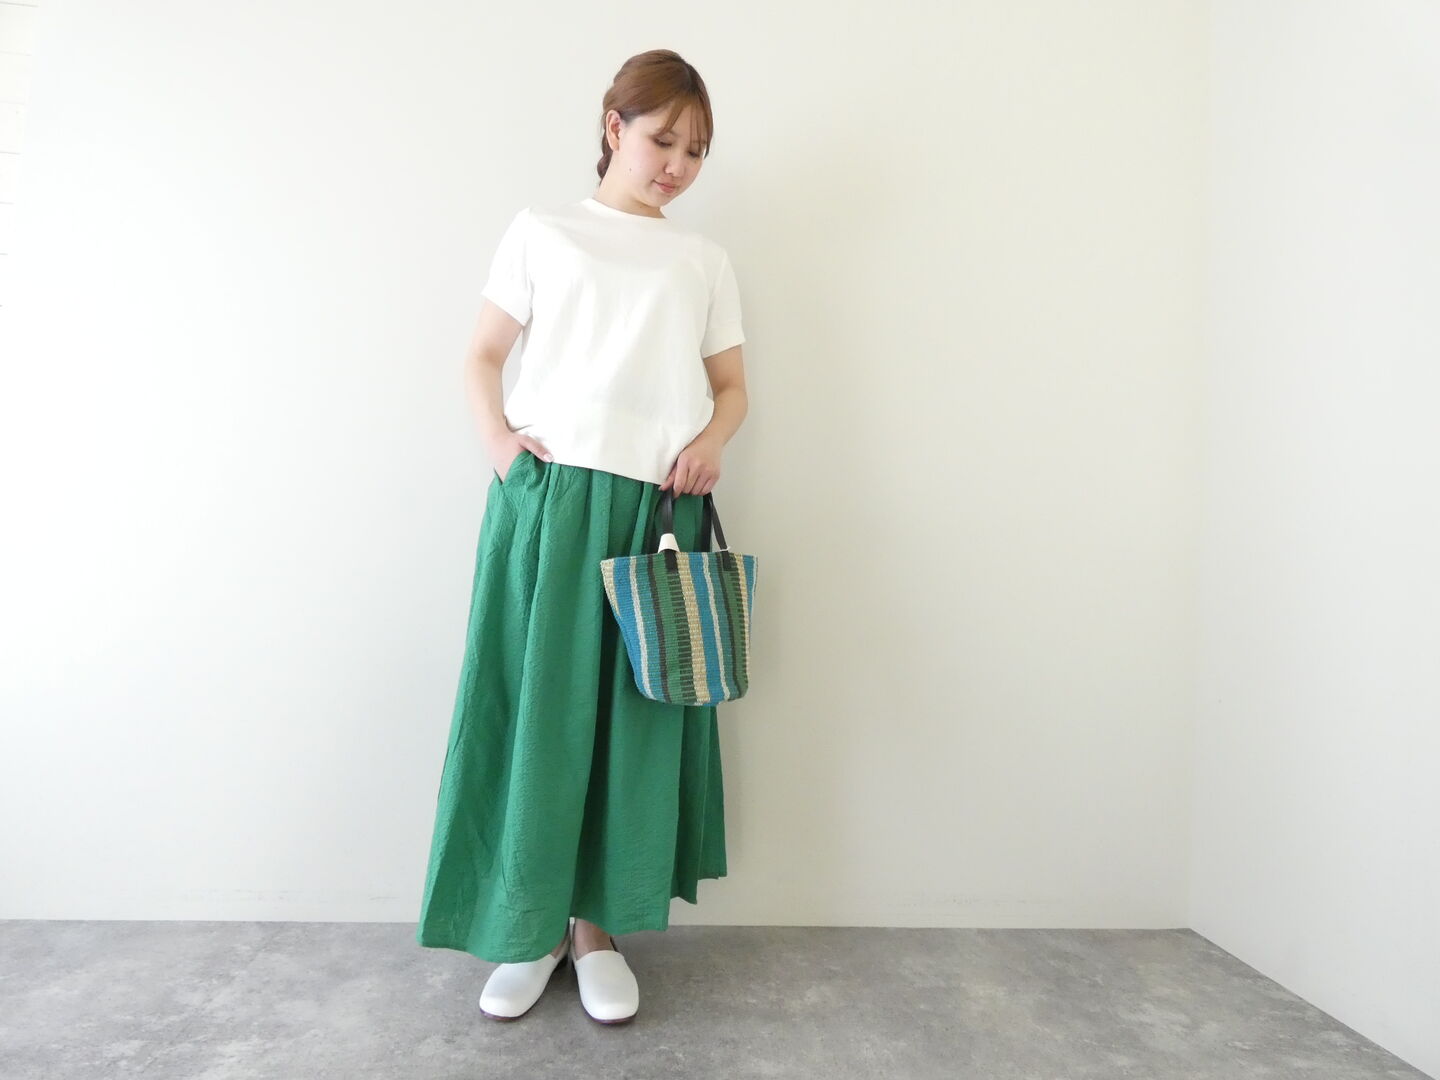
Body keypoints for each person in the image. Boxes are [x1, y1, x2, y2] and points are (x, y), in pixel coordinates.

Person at [414, 49, 749, 1026]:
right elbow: (483, 355)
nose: (678, 165)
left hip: (656, 514)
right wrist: (503, 450)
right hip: (551, 501)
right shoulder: (543, 231)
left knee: (631, 723)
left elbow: (732, 388)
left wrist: (710, 444)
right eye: (663, 140)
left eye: (696, 150)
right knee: (537, 715)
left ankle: (596, 930)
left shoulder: (703, 261)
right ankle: (529, 928)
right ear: (614, 127)